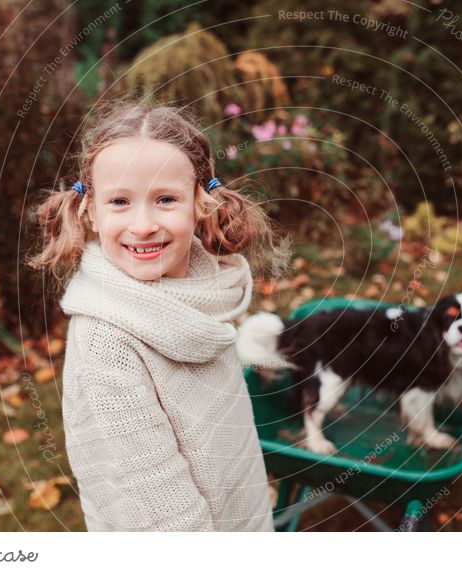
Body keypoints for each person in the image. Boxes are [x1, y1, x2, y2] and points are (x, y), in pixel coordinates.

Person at [29, 100, 288, 531]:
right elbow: (162, 520)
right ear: (91, 211)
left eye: (165, 199)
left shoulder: (204, 298)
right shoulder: (106, 345)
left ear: (201, 203)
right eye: (120, 201)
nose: (144, 224)